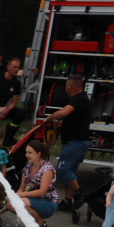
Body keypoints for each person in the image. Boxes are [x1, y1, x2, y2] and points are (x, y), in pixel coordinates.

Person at [43, 74, 91, 212]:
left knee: (63, 170)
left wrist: (50, 118)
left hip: (75, 143)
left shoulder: (79, 99)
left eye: (66, 86)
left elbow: (64, 112)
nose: (65, 89)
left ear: (70, 86)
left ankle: (80, 194)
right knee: (71, 173)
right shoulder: (80, 99)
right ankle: (68, 201)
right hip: (76, 142)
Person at [16, 139, 58, 227]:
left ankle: (40, 222)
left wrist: (21, 195)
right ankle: (32, 221)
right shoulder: (28, 166)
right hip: (31, 199)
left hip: (48, 202)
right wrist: (15, 196)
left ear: (38, 154)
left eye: (30, 152)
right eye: (26, 152)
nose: (27, 155)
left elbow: (42, 192)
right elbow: (21, 187)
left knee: (21, 202)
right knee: (11, 204)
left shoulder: (47, 169)